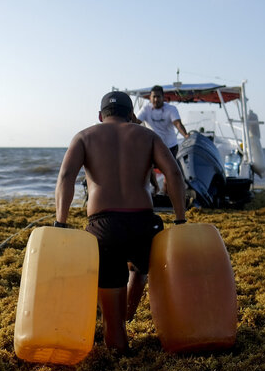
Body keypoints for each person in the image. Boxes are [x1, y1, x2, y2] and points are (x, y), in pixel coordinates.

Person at [55, 91, 187, 353]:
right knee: (139, 268)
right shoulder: (148, 136)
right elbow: (173, 173)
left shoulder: (84, 136)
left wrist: (61, 222)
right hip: (144, 224)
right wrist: (180, 219)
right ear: (131, 115)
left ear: (100, 116)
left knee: (112, 322)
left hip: (104, 227)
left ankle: (119, 339)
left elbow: (66, 177)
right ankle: (129, 311)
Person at [134, 85, 189, 157]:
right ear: (150, 98)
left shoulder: (171, 109)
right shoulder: (145, 109)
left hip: (170, 147)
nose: (156, 99)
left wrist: (186, 135)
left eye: (158, 97)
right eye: (154, 97)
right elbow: (135, 123)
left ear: (163, 97)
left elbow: (177, 123)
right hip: (153, 147)